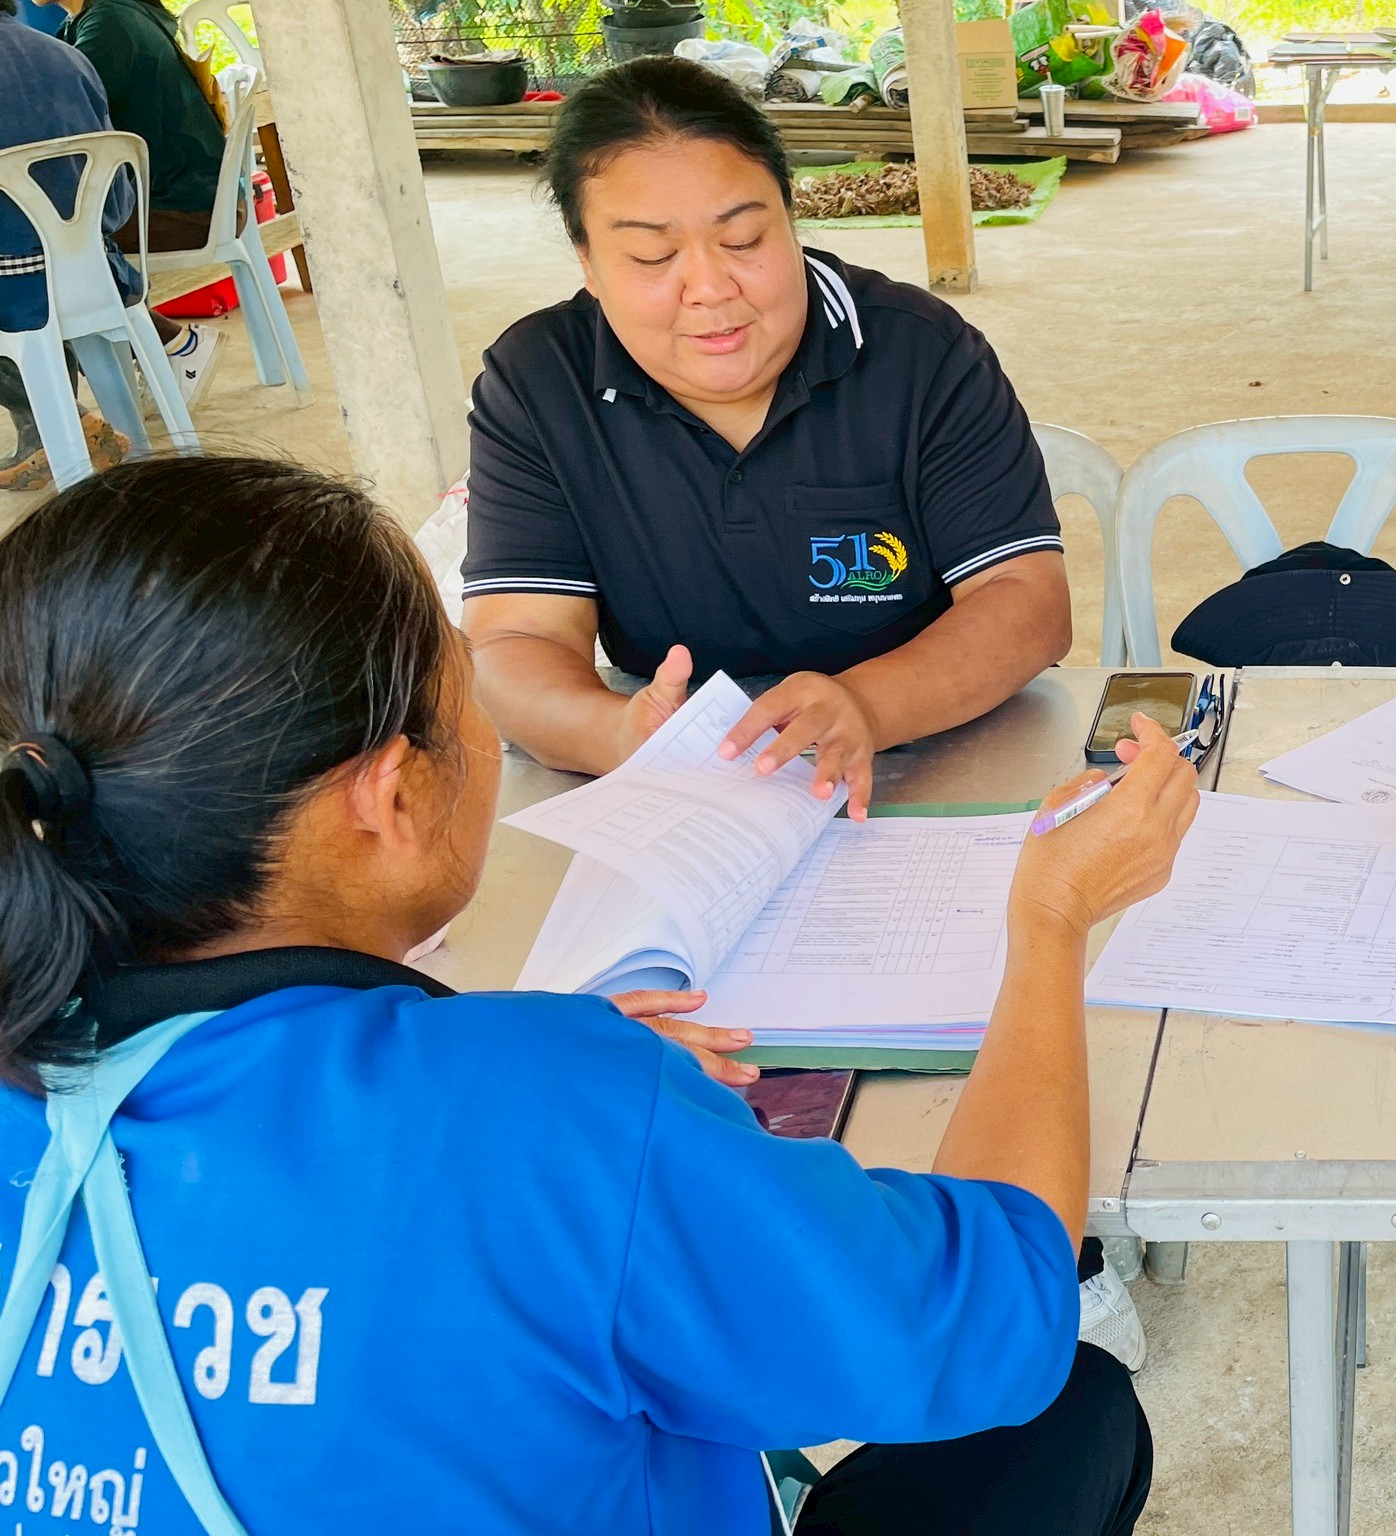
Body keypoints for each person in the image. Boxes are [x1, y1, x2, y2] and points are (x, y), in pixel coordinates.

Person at [0, 455, 1197, 1534]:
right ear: (387, 795)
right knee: (1065, 1412)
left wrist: (531, 1093)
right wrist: (1051, 923)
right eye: (462, 690)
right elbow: (997, 1307)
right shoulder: (539, 1107)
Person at [464, 58, 1070, 824]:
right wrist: (619, 733)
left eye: (745, 238)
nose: (711, 288)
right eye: (653, 256)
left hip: (926, 766)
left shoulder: (918, 353)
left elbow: (1026, 601)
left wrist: (867, 706)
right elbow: (516, 639)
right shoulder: (538, 383)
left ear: (790, 218)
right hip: (684, 801)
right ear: (587, 263)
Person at [0, 0, 148, 488]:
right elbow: (118, 198)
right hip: (96, 272)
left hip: (16, 294)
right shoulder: (66, 54)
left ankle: (49, 421)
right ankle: (51, 423)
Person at [54, 0, 224, 391]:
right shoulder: (94, 18)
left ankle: (170, 346)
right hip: (185, 196)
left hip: (184, 208)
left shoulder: (109, 23)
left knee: (56, 246)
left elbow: (64, 119)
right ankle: (154, 354)